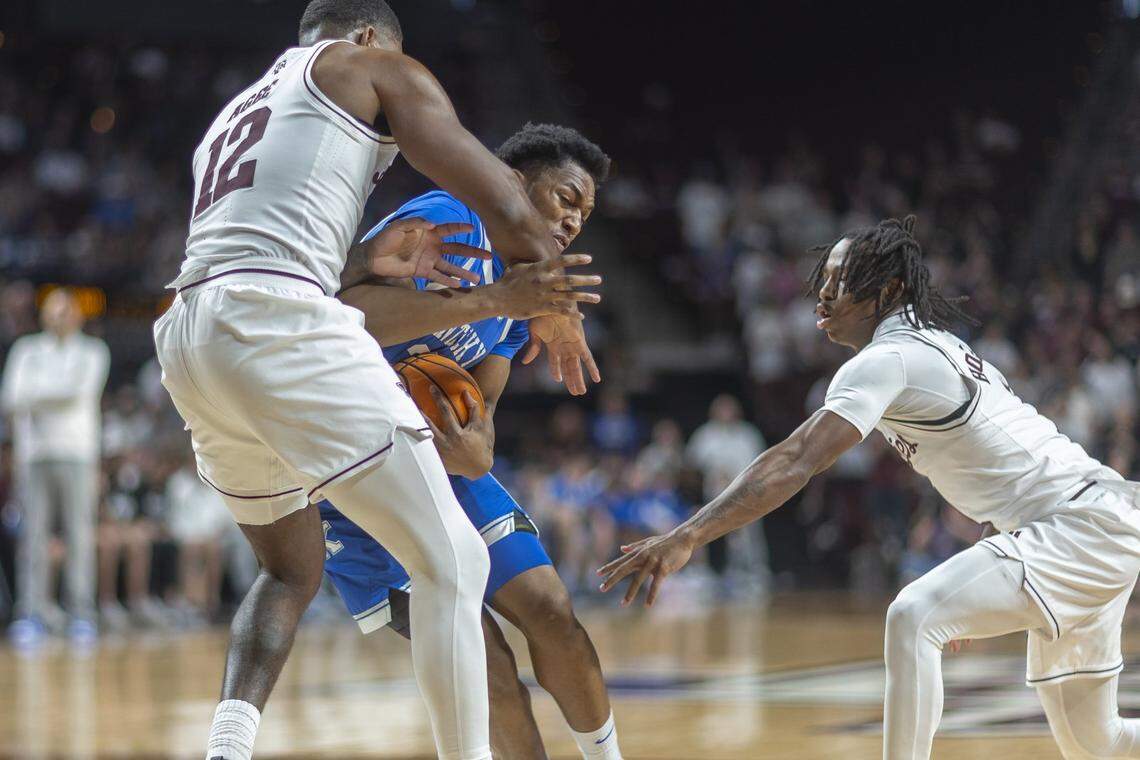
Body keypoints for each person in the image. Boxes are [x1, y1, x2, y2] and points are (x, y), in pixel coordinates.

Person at [152, 3, 602, 758]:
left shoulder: (235, 114)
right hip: (276, 321)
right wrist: (554, 304)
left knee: (288, 572)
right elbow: (502, 194)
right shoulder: (369, 65)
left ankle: (226, 748)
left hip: (192, 332)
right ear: (366, 38)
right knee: (452, 560)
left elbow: (273, 239)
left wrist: (362, 264)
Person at [600, 215, 1140, 760]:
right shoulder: (936, 344)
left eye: (840, 280)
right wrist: (977, 581)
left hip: (1075, 527)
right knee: (1101, 744)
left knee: (914, 615)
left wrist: (688, 536)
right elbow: (998, 456)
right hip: (1091, 521)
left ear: (889, 289)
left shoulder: (887, 359)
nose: (823, 294)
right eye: (822, 279)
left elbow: (795, 460)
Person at [322, 123, 623, 759]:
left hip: (445, 472)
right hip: (358, 477)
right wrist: (485, 301)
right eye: (566, 198)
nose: (573, 221)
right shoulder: (450, 218)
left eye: (585, 214)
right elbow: (351, 311)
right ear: (515, 183)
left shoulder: (524, 296)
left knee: (552, 613)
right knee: (483, 659)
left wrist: (476, 443)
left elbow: (481, 410)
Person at [1, 288, 110, 645]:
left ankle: (81, 612)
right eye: (53, 311)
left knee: (79, 535)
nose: (59, 317)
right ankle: (33, 612)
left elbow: (76, 393)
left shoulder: (93, 352)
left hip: (77, 453)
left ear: (78, 315)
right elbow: (10, 399)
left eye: (66, 311)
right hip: (33, 456)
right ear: (44, 315)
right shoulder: (27, 350)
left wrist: (35, 396)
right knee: (33, 537)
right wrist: (46, 395)